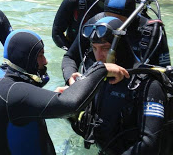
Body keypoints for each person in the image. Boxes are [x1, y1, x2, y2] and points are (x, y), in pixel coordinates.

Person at [0, 29, 129, 155]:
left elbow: (15, 110)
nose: (45, 61)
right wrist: (101, 69)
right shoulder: (13, 92)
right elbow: (69, 104)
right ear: (25, 57)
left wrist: (52, 96)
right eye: (40, 55)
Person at [69, 16, 172, 154]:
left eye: (105, 48)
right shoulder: (98, 77)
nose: (98, 57)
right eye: (94, 48)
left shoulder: (148, 85)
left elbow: (149, 144)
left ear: (120, 47)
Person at [62, 0, 171, 84]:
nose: (111, 24)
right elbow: (70, 57)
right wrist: (70, 77)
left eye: (118, 20)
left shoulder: (151, 31)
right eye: (108, 17)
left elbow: (166, 75)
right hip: (96, 81)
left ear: (131, 18)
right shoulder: (96, 24)